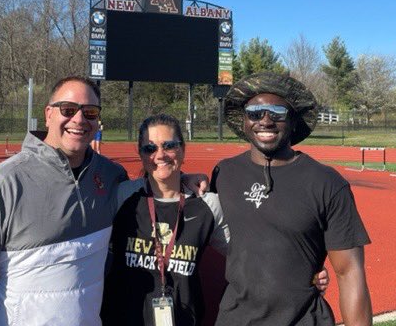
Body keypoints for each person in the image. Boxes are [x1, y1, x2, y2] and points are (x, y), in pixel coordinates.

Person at [0, 77, 206, 326]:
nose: (79, 119)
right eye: (68, 109)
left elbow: (152, 185)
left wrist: (182, 178)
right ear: (48, 114)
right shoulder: (1, 184)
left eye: (90, 112)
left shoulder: (111, 176)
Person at [101, 114, 329, 326]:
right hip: (121, 318)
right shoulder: (122, 196)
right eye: (150, 148)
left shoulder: (208, 204)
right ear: (141, 153)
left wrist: (303, 269)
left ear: (182, 149)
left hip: (184, 318)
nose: (160, 155)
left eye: (169, 145)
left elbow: (250, 252)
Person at [211, 71, 372, 325]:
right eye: (254, 112)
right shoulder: (223, 174)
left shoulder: (327, 182)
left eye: (277, 112)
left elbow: (349, 272)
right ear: (244, 121)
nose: (265, 121)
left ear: (294, 121)